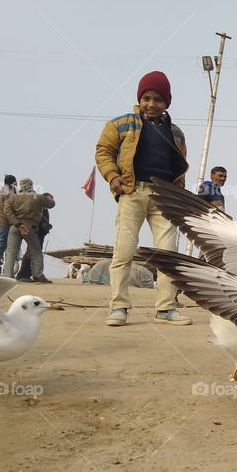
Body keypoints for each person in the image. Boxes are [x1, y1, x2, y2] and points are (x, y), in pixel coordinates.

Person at [95, 70, 191, 326]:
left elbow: (180, 168)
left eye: (158, 99)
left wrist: (179, 198)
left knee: (168, 254)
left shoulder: (177, 133)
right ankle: (118, 307)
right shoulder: (120, 124)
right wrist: (112, 177)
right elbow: (103, 151)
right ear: (139, 99)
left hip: (164, 197)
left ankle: (166, 308)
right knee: (124, 251)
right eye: (146, 98)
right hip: (132, 192)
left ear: (166, 102)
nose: (151, 104)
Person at [2, 178, 55, 283]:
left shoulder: (13, 197)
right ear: (31, 185)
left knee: (11, 252)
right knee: (36, 252)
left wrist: (17, 223)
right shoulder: (37, 197)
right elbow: (51, 204)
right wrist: (49, 198)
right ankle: (38, 275)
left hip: (15, 227)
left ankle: (8, 276)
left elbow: (7, 211)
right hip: (29, 227)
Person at [15, 207, 52, 280]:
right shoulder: (39, 207)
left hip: (40, 231)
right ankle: (25, 274)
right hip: (37, 231)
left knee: (33, 252)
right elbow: (38, 219)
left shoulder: (43, 209)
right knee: (32, 253)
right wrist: (44, 225)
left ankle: (30, 274)